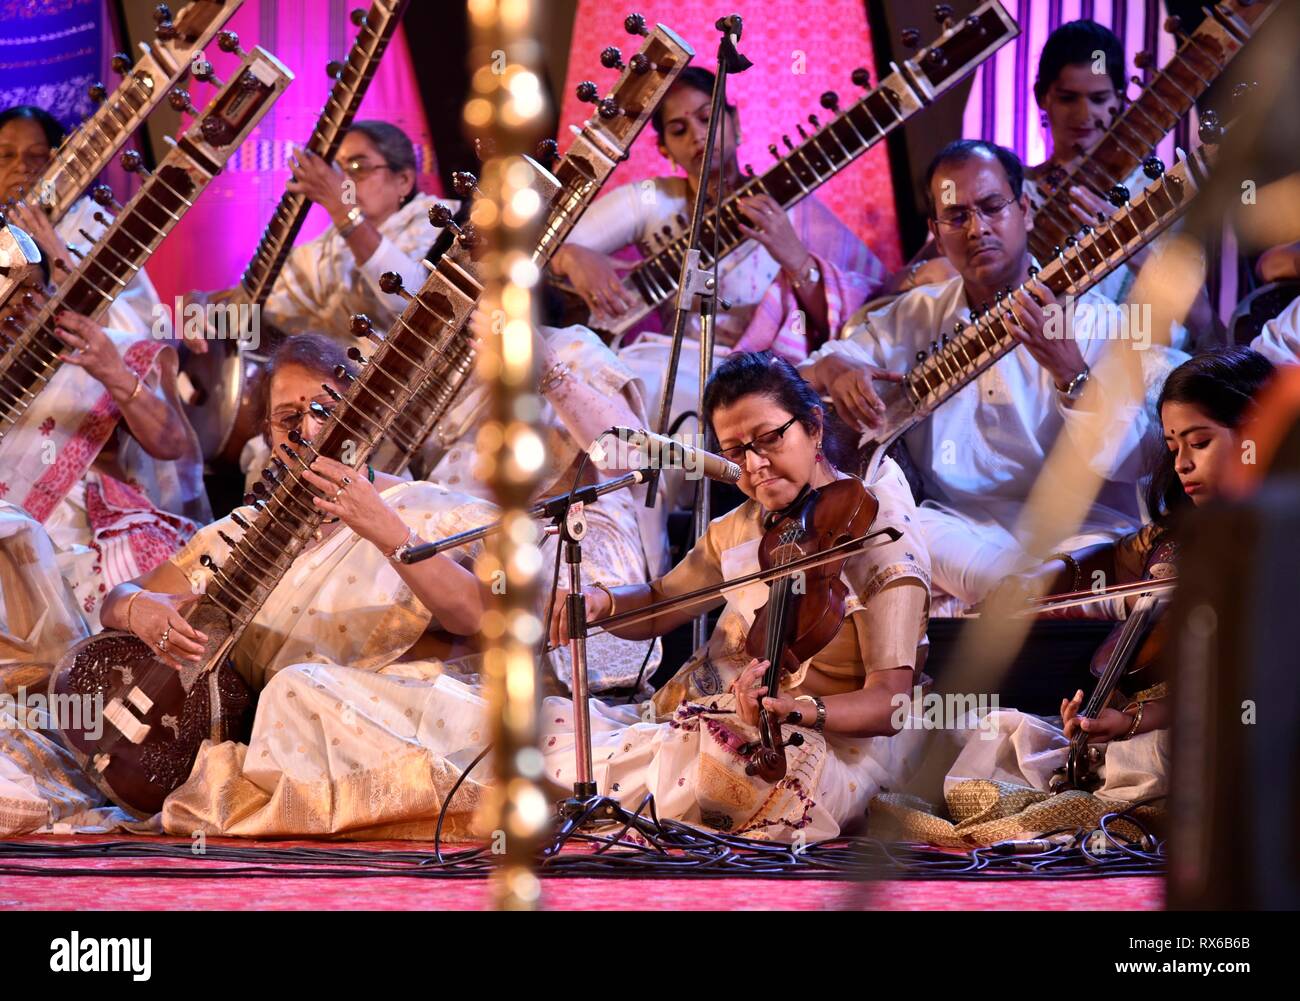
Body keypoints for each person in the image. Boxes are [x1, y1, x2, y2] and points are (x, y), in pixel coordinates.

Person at [156, 353, 934, 843]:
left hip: (830, 750)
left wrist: (801, 710)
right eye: (737, 451)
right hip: (720, 723)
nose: (757, 464)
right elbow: (660, 603)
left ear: (815, 423)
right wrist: (601, 604)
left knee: (660, 769)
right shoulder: (744, 529)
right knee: (535, 734)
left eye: (771, 439)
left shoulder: (877, 530)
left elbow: (891, 703)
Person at [0, 333, 494, 835]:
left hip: (385, 723)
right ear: (268, 433)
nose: (308, 430)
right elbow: (121, 597)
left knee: (295, 690)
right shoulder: (239, 534)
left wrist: (382, 527)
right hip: (279, 740)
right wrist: (135, 608)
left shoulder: (427, 510)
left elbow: (478, 616)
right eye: (288, 418)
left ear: (360, 416)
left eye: (325, 411)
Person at [801, 139, 1185, 611]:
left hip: (1081, 533)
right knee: (892, 523)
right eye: (957, 216)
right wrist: (836, 368)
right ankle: (1040, 602)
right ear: (936, 235)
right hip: (961, 533)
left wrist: (1071, 374)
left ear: (1024, 209)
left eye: (991, 207)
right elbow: (808, 372)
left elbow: (1141, 461)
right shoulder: (915, 317)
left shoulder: (1094, 321)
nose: (977, 228)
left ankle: (1031, 599)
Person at [933, 348, 1276, 825]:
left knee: (1165, 752)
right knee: (994, 731)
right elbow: (1107, 564)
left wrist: (1135, 720)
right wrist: (1033, 588)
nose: (1182, 464)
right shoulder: (1172, 536)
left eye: (1200, 442)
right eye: (1174, 447)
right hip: (1153, 721)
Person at [552, 67, 886, 471]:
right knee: (596, 373)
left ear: (736, 122)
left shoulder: (788, 205)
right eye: (679, 129)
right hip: (680, 364)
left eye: (708, 118)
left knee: (677, 398)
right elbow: (547, 246)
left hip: (763, 375)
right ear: (664, 149)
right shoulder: (652, 201)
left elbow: (862, 310)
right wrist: (572, 256)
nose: (698, 135)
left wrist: (795, 258)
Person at [184, 121, 459, 349]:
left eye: (358, 168)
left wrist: (344, 211)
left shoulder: (444, 222)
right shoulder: (327, 249)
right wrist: (201, 305)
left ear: (404, 181)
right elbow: (255, 306)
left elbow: (412, 301)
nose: (342, 182)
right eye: (337, 171)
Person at [0, 104, 161, 337]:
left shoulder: (90, 222)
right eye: (6, 155)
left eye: (36, 155)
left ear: (56, 161)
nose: (23, 166)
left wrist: (58, 257)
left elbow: (138, 329)